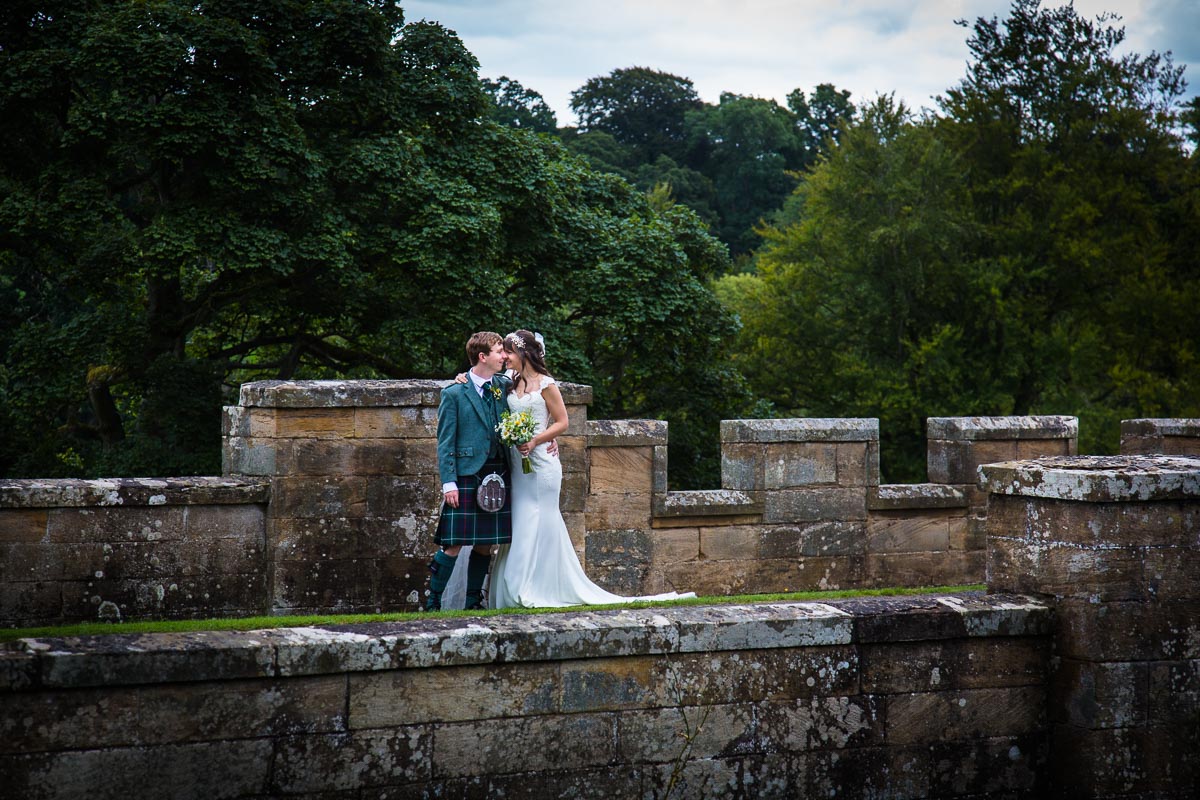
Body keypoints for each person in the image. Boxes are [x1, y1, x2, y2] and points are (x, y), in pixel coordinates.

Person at [481, 330, 695, 608]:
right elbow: (480, 377)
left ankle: (531, 587)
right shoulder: (509, 380)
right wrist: (463, 377)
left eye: (508, 351)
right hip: (517, 464)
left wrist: (538, 439)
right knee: (520, 519)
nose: (505, 357)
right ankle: (515, 587)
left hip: (542, 464)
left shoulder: (546, 384)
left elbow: (562, 422)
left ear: (523, 353)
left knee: (540, 518)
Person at [426, 331, 513, 611]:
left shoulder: (504, 385)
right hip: (466, 474)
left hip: (499, 471)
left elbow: (535, 383)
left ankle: (473, 601)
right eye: (499, 351)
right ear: (482, 357)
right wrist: (448, 483)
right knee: (453, 543)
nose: (504, 357)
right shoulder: (454, 393)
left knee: (486, 544)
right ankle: (433, 601)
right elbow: (445, 441)